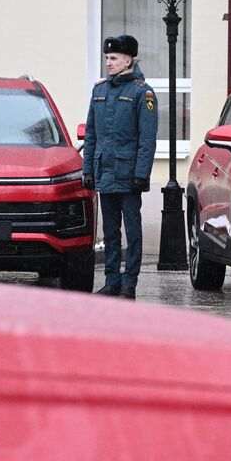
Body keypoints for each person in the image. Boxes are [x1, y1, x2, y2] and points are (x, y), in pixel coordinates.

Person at [83, 34, 158, 299]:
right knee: (110, 232)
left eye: (113, 58)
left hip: (128, 175)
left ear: (128, 60)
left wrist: (141, 174)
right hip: (104, 171)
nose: (109, 63)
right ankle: (112, 281)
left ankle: (129, 283)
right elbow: (91, 134)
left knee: (133, 231)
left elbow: (147, 139)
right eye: (106, 58)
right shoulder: (99, 91)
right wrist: (87, 170)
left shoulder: (142, 92)